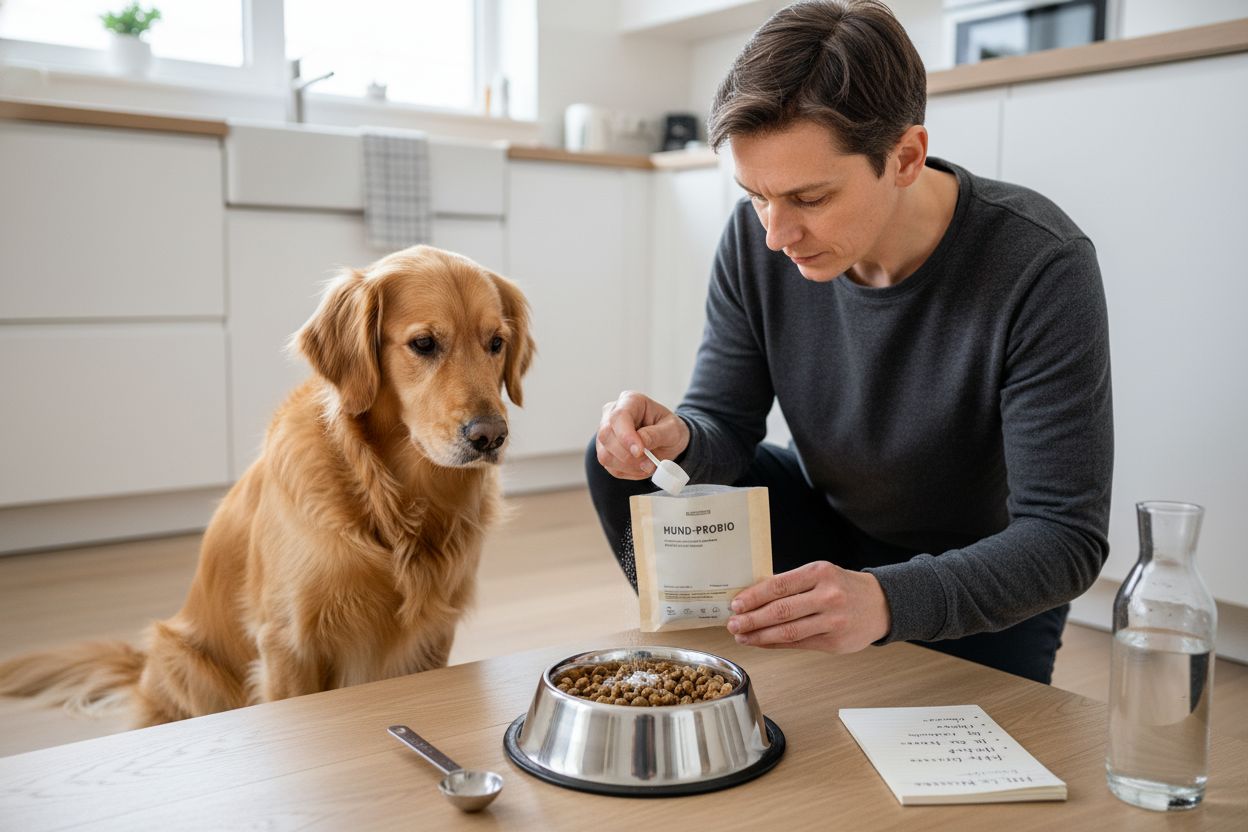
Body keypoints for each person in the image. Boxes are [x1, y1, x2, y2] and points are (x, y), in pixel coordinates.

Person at [585, 0, 1113, 685]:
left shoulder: (1040, 264)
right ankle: (731, 658)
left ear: (905, 157)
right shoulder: (757, 240)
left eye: (808, 199)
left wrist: (889, 600)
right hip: (826, 527)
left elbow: (1064, 538)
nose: (776, 234)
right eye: (755, 195)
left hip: (980, 568)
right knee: (619, 466)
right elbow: (726, 423)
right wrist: (676, 437)